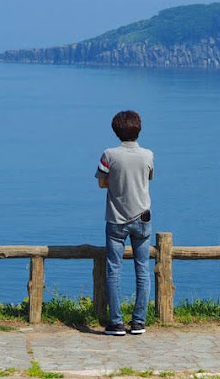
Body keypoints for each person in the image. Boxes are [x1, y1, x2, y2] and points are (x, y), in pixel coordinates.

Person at [95, 110, 154, 336]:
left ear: (116, 130)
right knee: (143, 270)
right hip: (142, 218)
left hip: (116, 219)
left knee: (114, 271)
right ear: (139, 129)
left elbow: (102, 183)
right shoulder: (148, 155)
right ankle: (138, 322)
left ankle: (116, 323)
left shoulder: (109, 155)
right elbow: (147, 178)